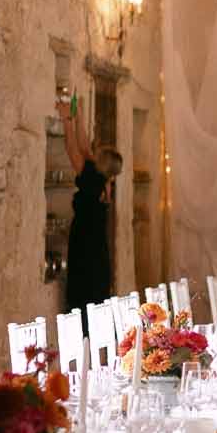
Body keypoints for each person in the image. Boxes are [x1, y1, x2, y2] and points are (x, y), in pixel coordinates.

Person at [58, 96, 122, 314]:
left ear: (101, 162)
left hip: (86, 250)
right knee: (94, 303)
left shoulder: (92, 179)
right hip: (96, 250)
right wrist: (79, 115)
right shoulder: (104, 181)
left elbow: (72, 148)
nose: (94, 153)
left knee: (82, 302)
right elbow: (85, 148)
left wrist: (67, 119)